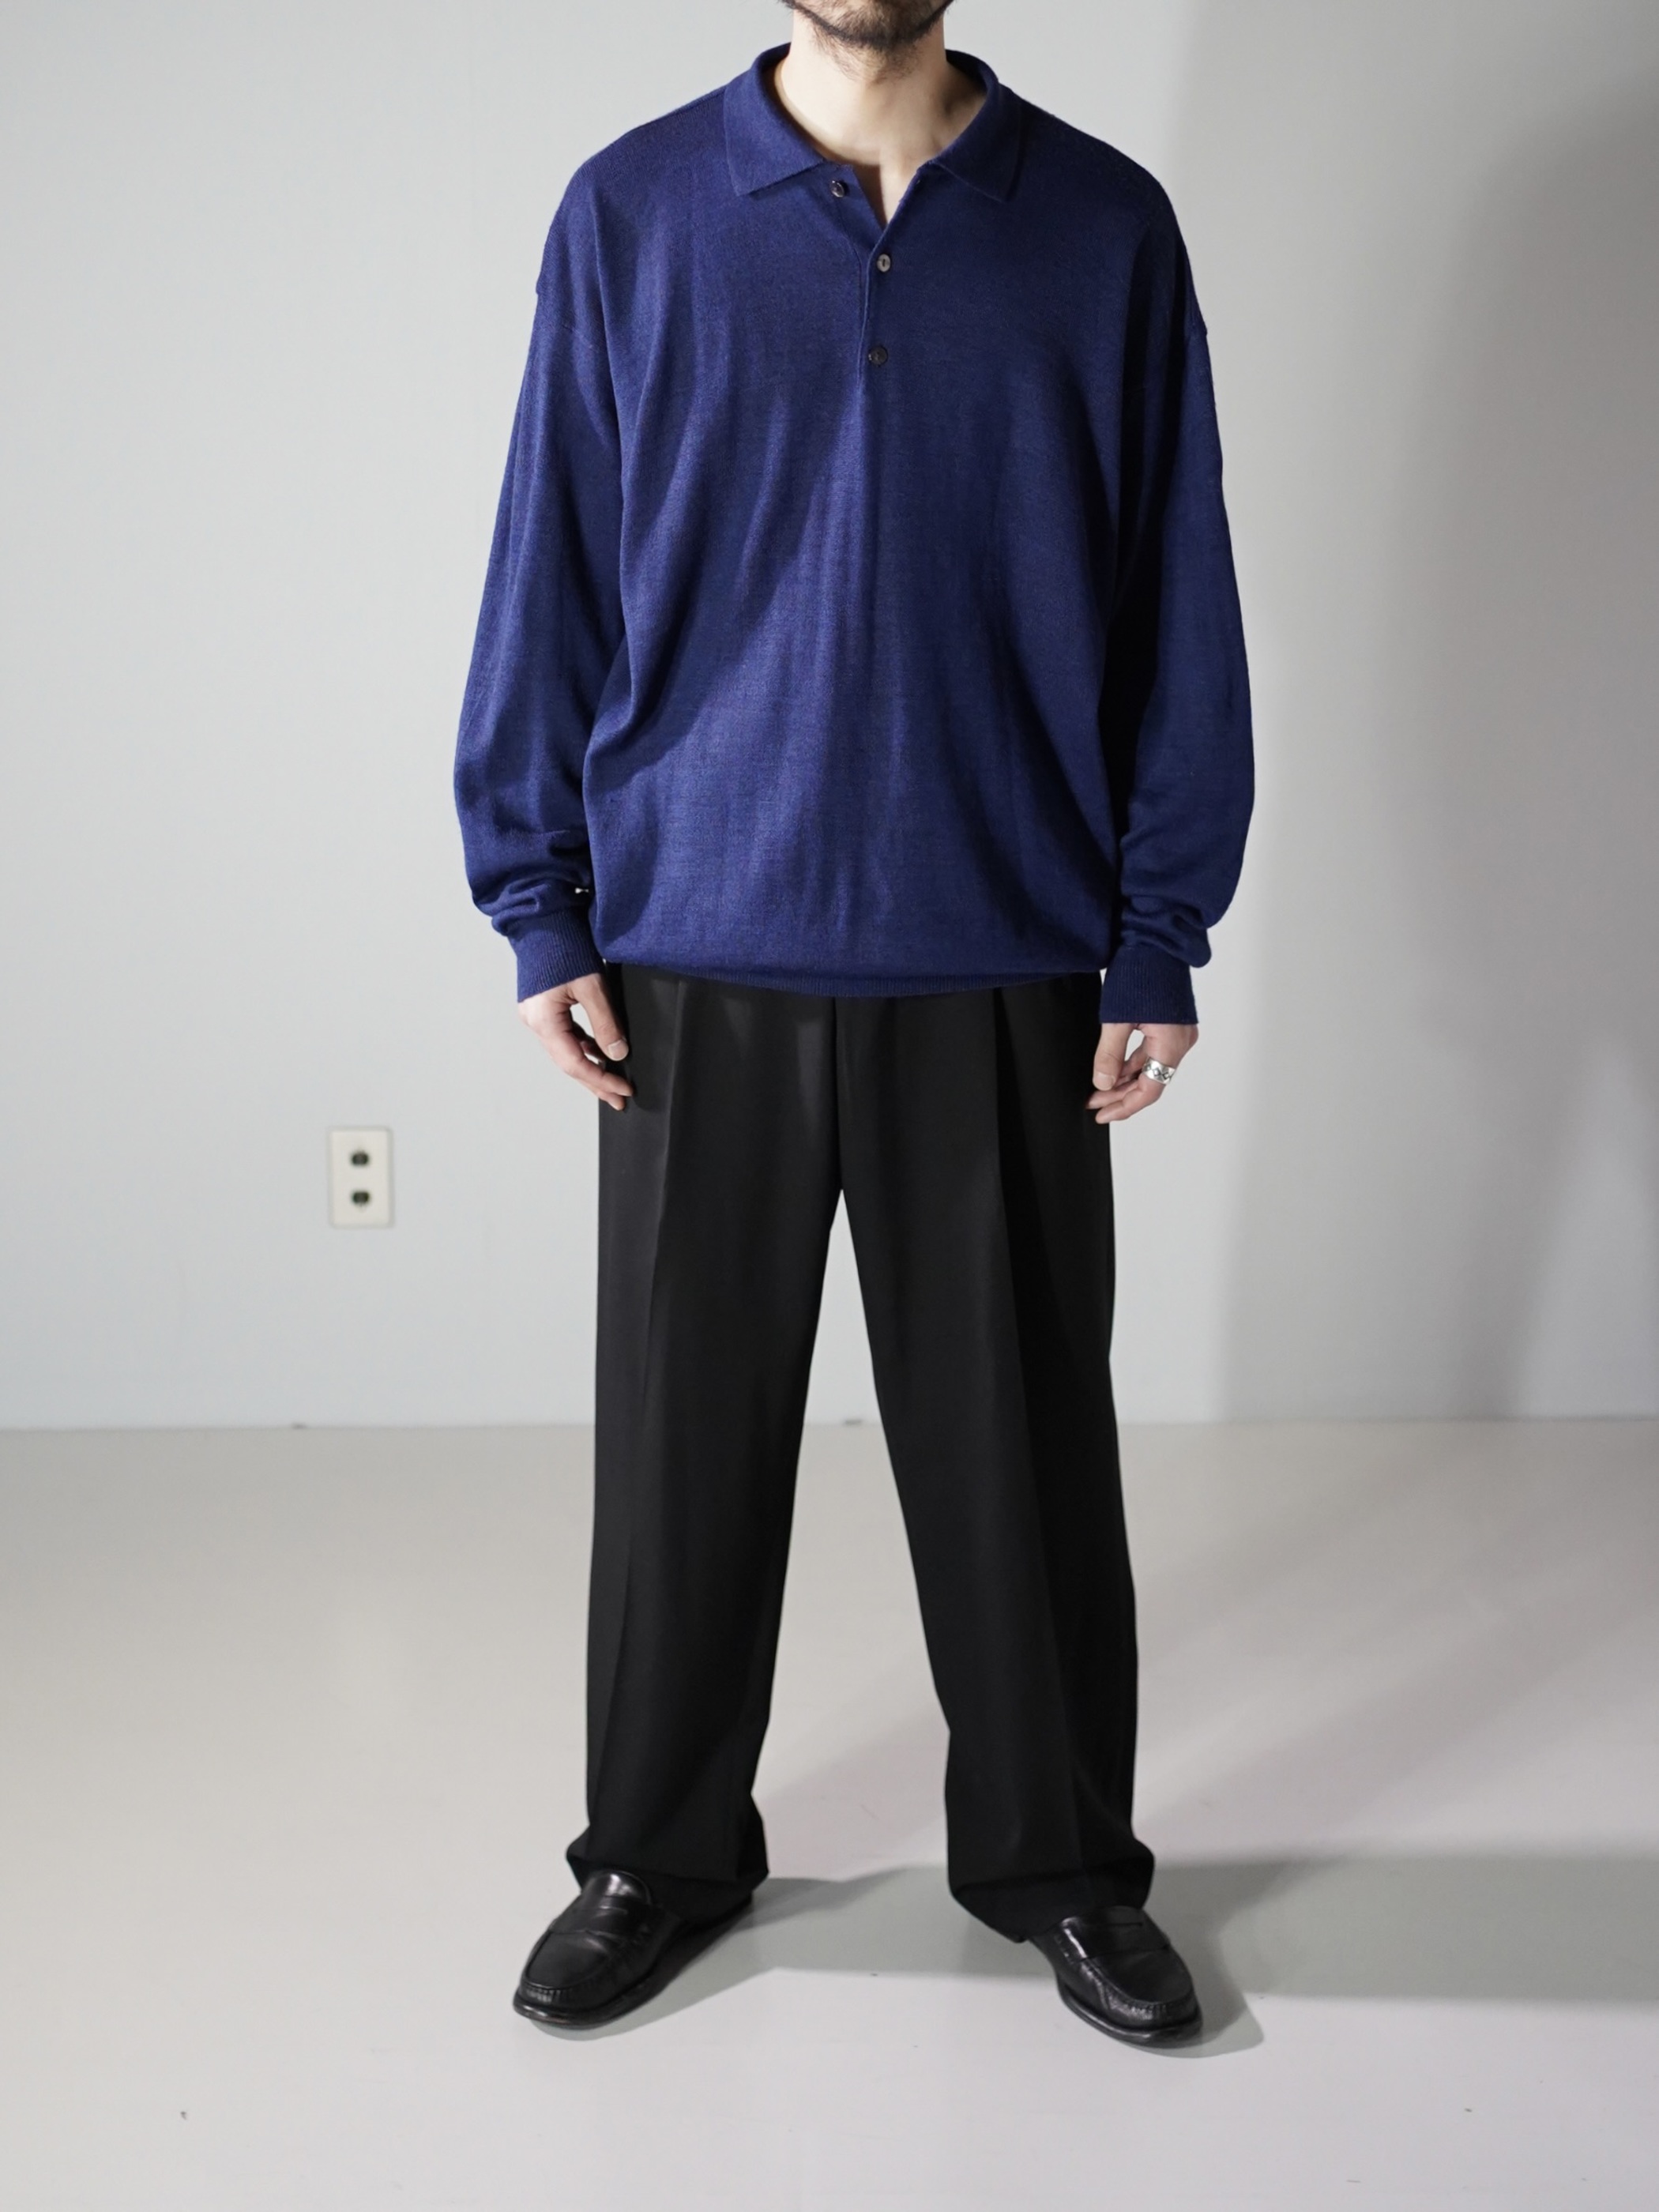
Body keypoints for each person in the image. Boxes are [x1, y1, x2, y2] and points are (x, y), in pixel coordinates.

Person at [454, 0, 1251, 2048]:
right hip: (690, 946)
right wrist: (537, 901)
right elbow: (551, 562)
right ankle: (653, 1858)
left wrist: (1157, 927)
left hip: (1000, 942)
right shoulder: (633, 213)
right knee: (680, 1455)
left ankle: (1062, 1867)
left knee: (1021, 1462)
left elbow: (1176, 590)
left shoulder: (1100, 227)